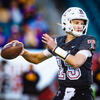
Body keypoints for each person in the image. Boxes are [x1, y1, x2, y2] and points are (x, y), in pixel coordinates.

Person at [14, 7, 96, 100]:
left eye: (82, 23)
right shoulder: (59, 41)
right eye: (76, 22)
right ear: (66, 22)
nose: (80, 26)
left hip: (82, 94)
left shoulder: (87, 40)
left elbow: (76, 62)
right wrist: (23, 52)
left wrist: (55, 48)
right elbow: (36, 59)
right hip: (62, 92)